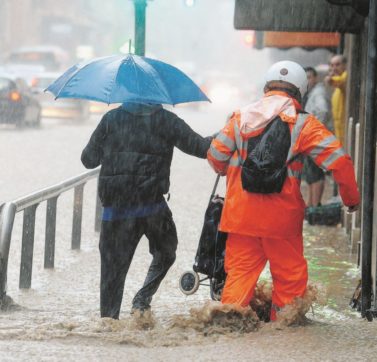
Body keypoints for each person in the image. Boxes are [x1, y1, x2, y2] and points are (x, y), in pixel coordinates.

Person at [207, 61, 359, 321]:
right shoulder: (304, 124)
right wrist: (351, 200)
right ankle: (282, 336)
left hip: (241, 219)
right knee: (290, 291)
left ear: (266, 86)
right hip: (281, 222)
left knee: (237, 285)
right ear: (300, 90)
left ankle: (229, 332)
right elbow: (340, 162)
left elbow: (215, 156)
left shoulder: (240, 116)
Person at [81, 102, 212, 319]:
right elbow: (201, 148)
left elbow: (88, 160)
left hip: (116, 211)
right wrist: (222, 136)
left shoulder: (111, 119)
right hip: (152, 208)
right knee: (166, 252)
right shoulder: (168, 121)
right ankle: (142, 299)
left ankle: (109, 324)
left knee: (112, 274)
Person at [302, 66, 331, 207]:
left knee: (316, 173)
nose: (307, 81)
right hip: (311, 138)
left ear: (315, 78)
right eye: (305, 78)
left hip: (315, 139)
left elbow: (323, 111)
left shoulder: (318, 93)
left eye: (309, 77)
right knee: (311, 173)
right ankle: (311, 205)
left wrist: (314, 130)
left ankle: (314, 206)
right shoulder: (312, 92)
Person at [325, 54, 347, 145]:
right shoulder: (336, 86)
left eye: (337, 65)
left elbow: (338, 80)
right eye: (332, 65)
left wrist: (330, 78)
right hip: (339, 130)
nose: (334, 68)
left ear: (345, 65)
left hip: (345, 129)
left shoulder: (345, 76)